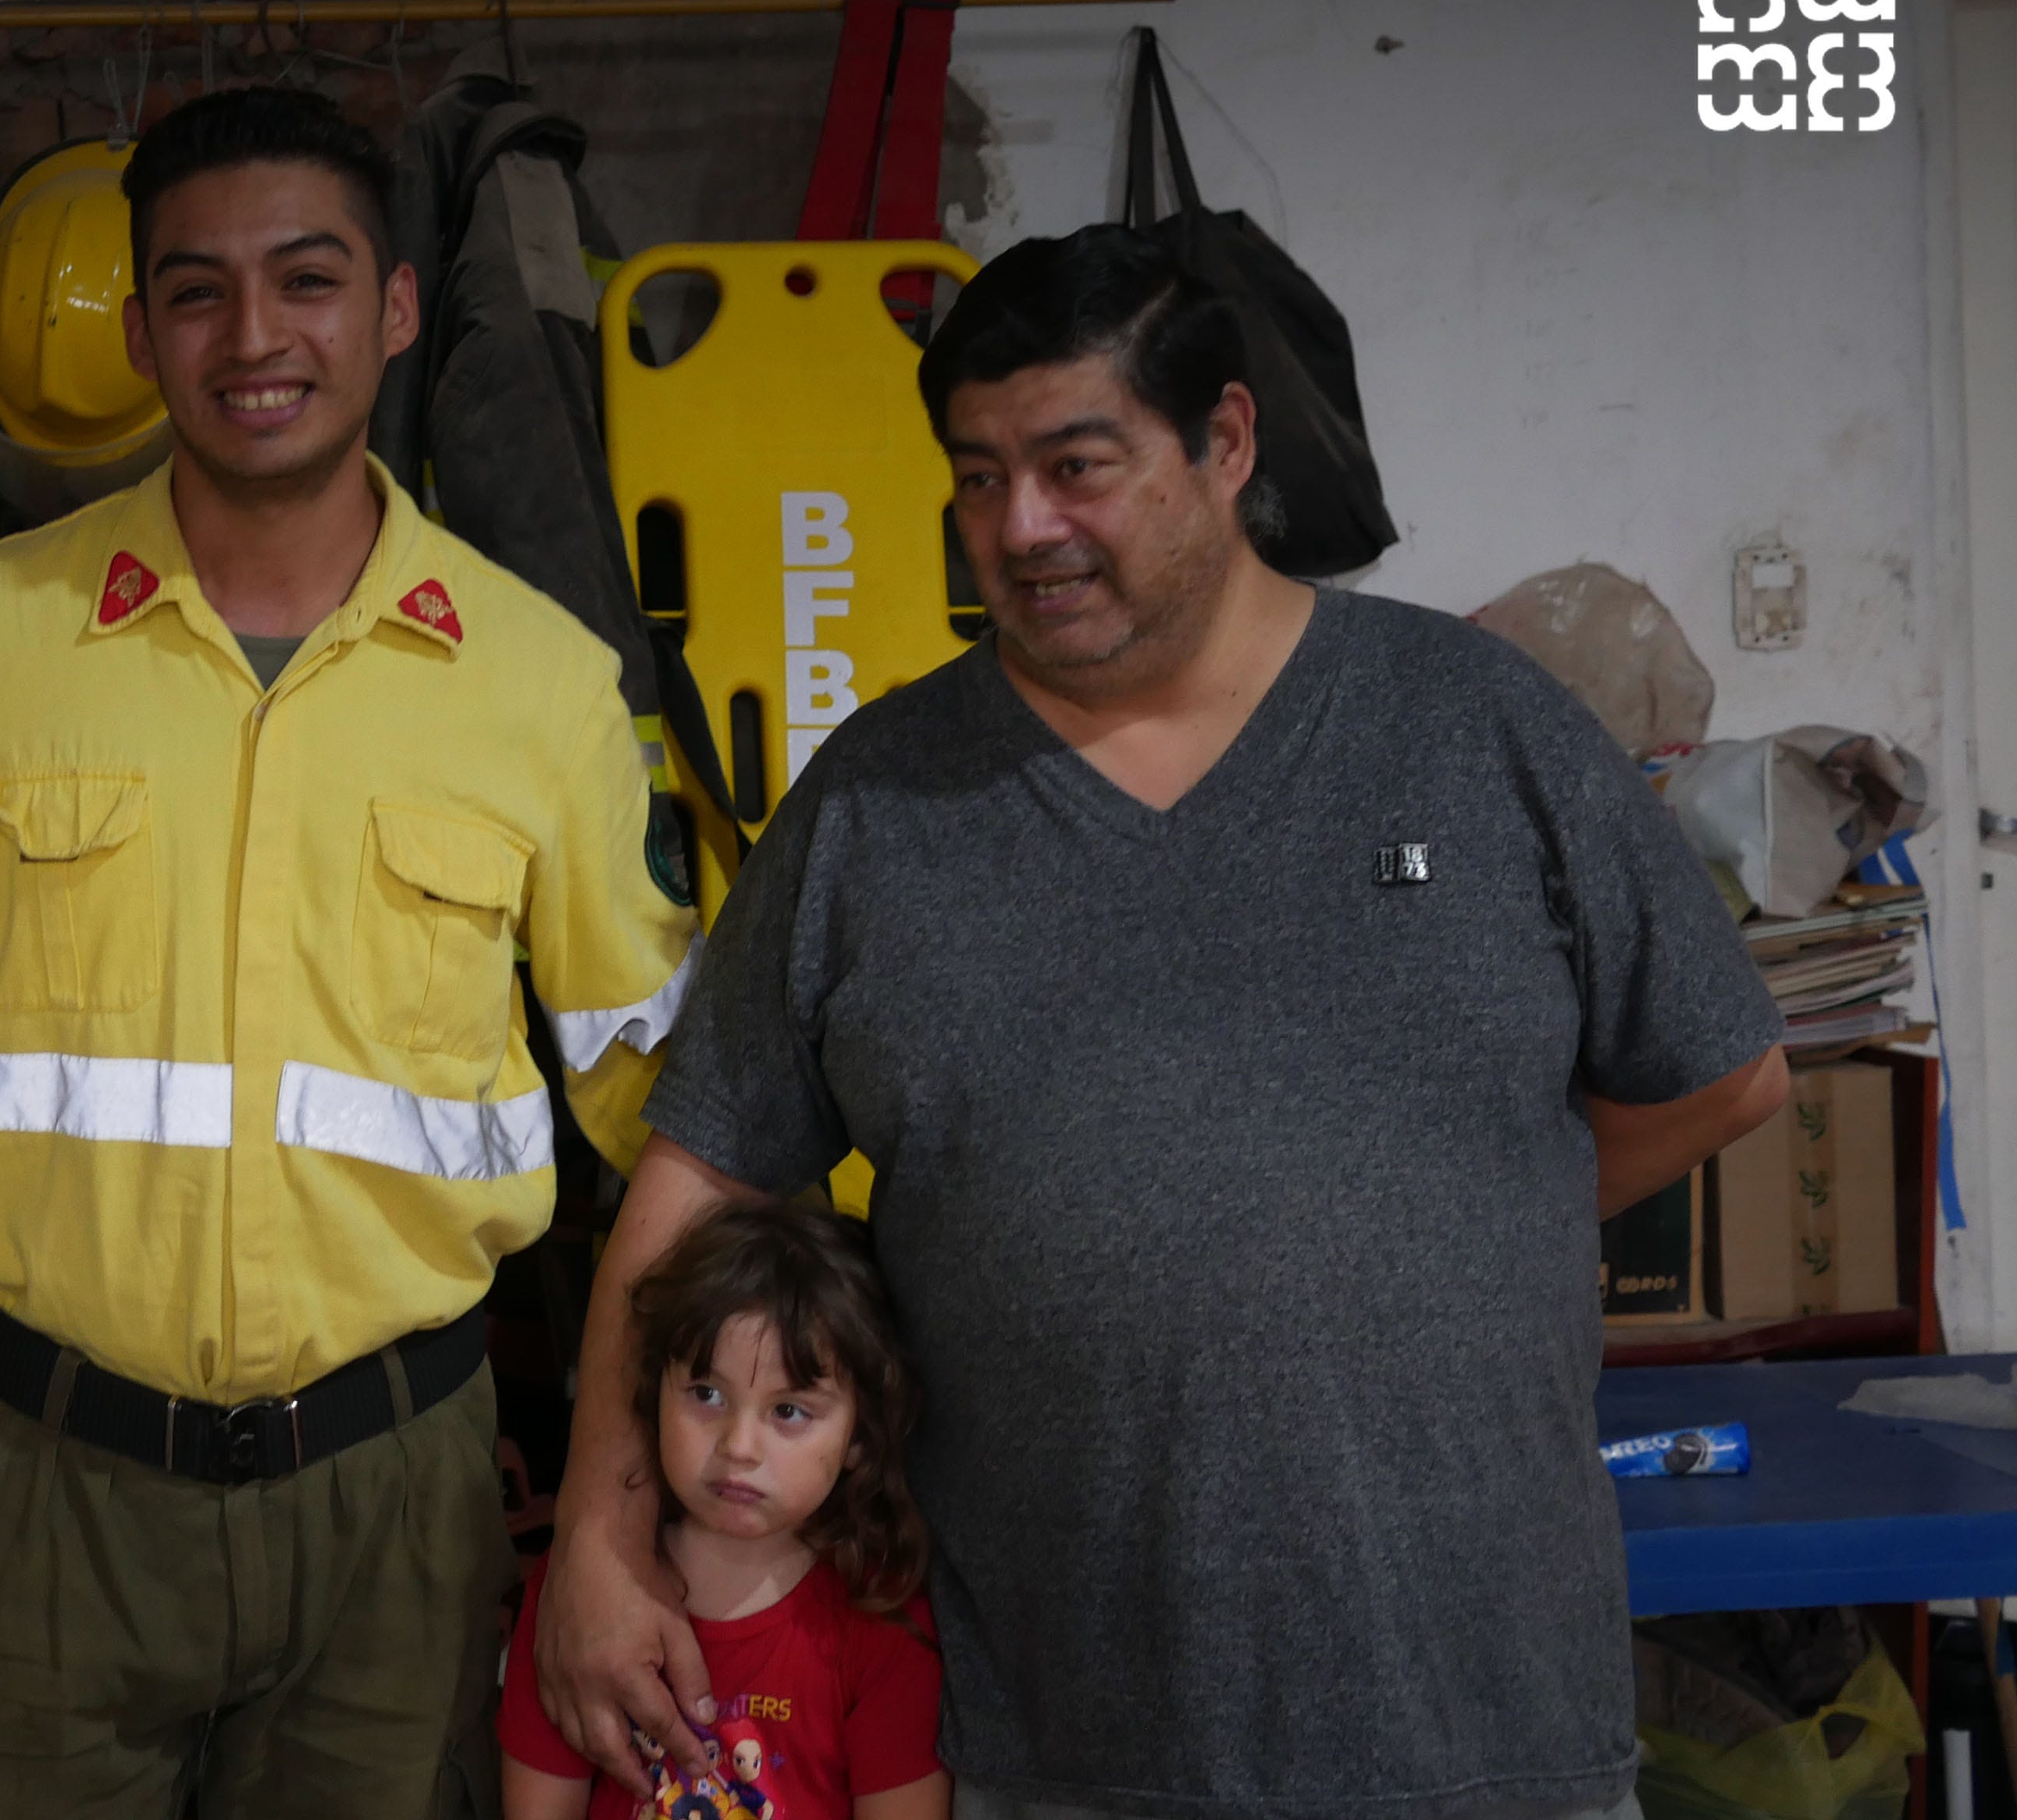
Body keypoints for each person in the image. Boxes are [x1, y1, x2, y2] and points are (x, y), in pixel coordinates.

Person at [533, 223, 1790, 1820]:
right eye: (978, 476)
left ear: (1225, 441)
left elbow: (1724, 1070)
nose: (1021, 526)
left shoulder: (1475, 728)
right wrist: (597, 1534)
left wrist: (1459, 1216)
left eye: (1077, 465)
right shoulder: (884, 801)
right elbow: (696, 1177)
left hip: (1479, 1724)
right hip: (1054, 1739)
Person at [0, 86, 703, 1816]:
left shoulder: (539, 682)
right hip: (46, 1489)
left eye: (307, 279)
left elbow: (654, 1089)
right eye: (197, 290)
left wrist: (816, 1305)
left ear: (394, 309)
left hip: (396, 1502)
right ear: (141, 333)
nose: (254, 335)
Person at [501, 1202, 947, 1820]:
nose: (739, 1447)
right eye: (706, 1393)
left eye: (788, 1411)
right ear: (653, 1393)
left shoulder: (884, 1624)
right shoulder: (579, 1592)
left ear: (861, 1436)